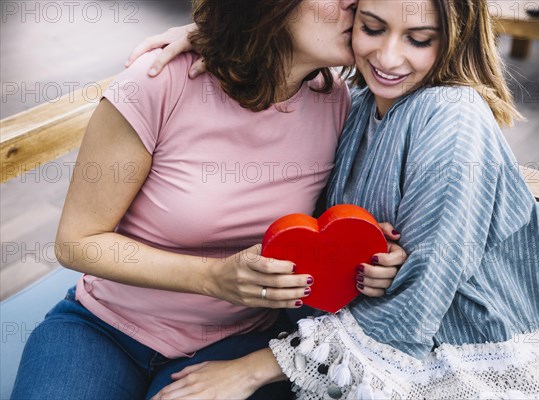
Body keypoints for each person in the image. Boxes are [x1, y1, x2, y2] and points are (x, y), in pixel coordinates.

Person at [137, 1, 539, 399]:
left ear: (456, 38)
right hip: (356, 355)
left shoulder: (453, 115)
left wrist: (249, 372)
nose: (388, 58)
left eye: (419, 39)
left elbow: (419, 300)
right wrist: (212, 36)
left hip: (459, 368)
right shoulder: (359, 104)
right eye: (371, 28)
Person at [10, 1, 407, 399]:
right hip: (105, 327)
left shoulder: (338, 103)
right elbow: (76, 242)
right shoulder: (155, 82)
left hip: (239, 340)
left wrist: (374, 255)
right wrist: (211, 278)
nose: (353, 3)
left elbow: (328, 227)